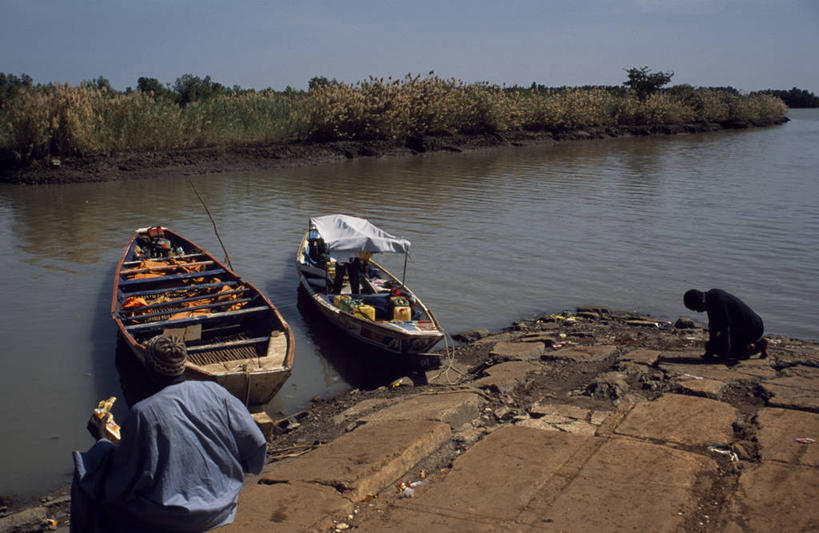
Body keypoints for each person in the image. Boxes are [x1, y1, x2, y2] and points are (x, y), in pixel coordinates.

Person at [70, 335, 267, 533]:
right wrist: (232, 474)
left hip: (171, 518)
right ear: (184, 364)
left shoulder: (143, 412)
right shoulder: (216, 391)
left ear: (149, 368)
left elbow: (124, 478)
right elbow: (256, 443)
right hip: (223, 502)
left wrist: (102, 440)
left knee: (88, 479)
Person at [683, 289, 768, 359]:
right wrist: (709, 352)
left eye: (696, 308)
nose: (698, 311)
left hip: (752, 329)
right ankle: (756, 342)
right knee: (711, 347)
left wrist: (724, 356)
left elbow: (725, 330)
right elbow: (713, 327)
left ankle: (749, 349)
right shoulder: (711, 296)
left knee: (718, 350)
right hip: (750, 325)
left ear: (701, 300)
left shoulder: (719, 303)